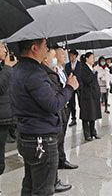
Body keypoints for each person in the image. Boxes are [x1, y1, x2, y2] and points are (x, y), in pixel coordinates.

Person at [10, 38, 79, 195]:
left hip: (27, 135)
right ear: (35, 48)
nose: (48, 50)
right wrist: (70, 87)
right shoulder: (34, 73)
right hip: (41, 139)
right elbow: (53, 104)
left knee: (29, 185)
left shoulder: (19, 68)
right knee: (43, 190)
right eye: (46, 46)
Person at [40, 47, 73, 193]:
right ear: (46, 58)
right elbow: (54, 98)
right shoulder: (45, 74)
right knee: (52, 148)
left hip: (63, 108)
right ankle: (53, 181)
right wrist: (70, 88)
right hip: (55, 111)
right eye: (57, 54)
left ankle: (61, 160)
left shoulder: (59, 69)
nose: (63, 55)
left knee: (60, 140)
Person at [53, 47, 79, 170]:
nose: (64, 55)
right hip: (58, 105)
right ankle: (57, 161)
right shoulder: (53, 70)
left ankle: (62, 159)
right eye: (61, 53)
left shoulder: (62, 69)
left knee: (62, 135)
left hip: (66, 105)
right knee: (58, 136)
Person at [0, 42, 16, 189]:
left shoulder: (3, 67)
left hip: (5, 118)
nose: (5, 50)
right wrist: (7, 67)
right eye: (1, 47)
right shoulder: (5, 67)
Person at [80, 52, 102, 141]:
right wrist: (93, 73)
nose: (93, 59)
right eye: (92, 57)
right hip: (86, 95)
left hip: (93, 94)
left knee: (93, 114)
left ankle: (93, 132)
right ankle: (87, 134)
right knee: (86, 115)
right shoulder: (83, 68)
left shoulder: (92, 68)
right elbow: (87, 80)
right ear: (87, 59)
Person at [65, 49, 81, 127]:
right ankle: (73, 118)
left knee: (81, 102)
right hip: (71, 86)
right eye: (69, 55)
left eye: (72, 55)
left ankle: (83, 117)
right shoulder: (67, 65)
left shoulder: (80, 64)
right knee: (72, 103)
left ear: (75, 56)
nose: (70, 57)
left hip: (79, 86)